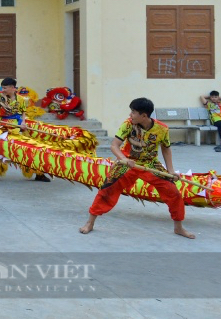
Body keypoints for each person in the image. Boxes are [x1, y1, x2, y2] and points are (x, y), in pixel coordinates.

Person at [79, 97, 194, 239]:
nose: (130, 115)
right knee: (107, 190)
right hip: (128, 163)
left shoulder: (162, 129)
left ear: (144, 115)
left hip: (150, 164)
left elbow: (166, 149)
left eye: (133, 112)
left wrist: (171, 171)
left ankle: (179, 228)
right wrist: (124, 159)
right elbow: (114, 146)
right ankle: (90, 223)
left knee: (173, 192)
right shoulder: (128, 125)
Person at [0, 77, 50, 183]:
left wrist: (23, 123)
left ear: (12, 88)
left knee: (28, 150)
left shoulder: (21, 100)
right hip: (4, 126)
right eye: (2, 87)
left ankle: (38, 173)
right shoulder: (0, 96)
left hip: (18, 126)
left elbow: (23, 112)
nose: (3, 90)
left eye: (5, 88)